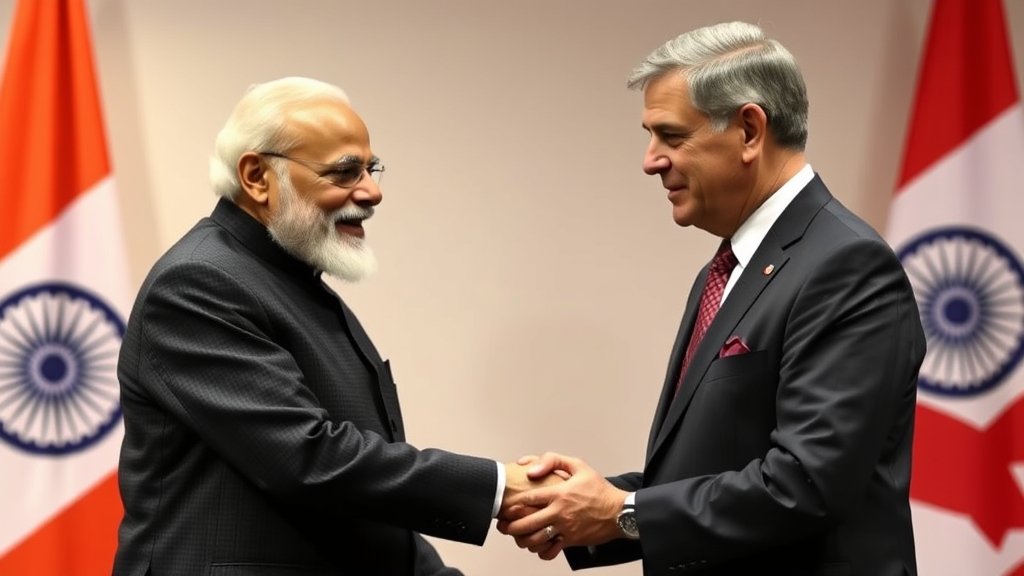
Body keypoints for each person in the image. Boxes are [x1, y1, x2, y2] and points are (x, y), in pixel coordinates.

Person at [498, 21, 926, 576]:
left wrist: (622, 513)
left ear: (749, 130)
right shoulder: (723, 271)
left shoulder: (847, 266)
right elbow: (715, 470)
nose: (650, 160)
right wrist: (587, 502)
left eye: (672, 137)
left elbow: (806, 484)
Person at [113, 76, 558, 575]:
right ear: (258, 176)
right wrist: (500, 487)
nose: (372, 192)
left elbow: (361, 501)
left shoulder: (289, 280)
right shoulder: (200, 284)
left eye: (371, 168)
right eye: (345, 172)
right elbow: (310, 460)